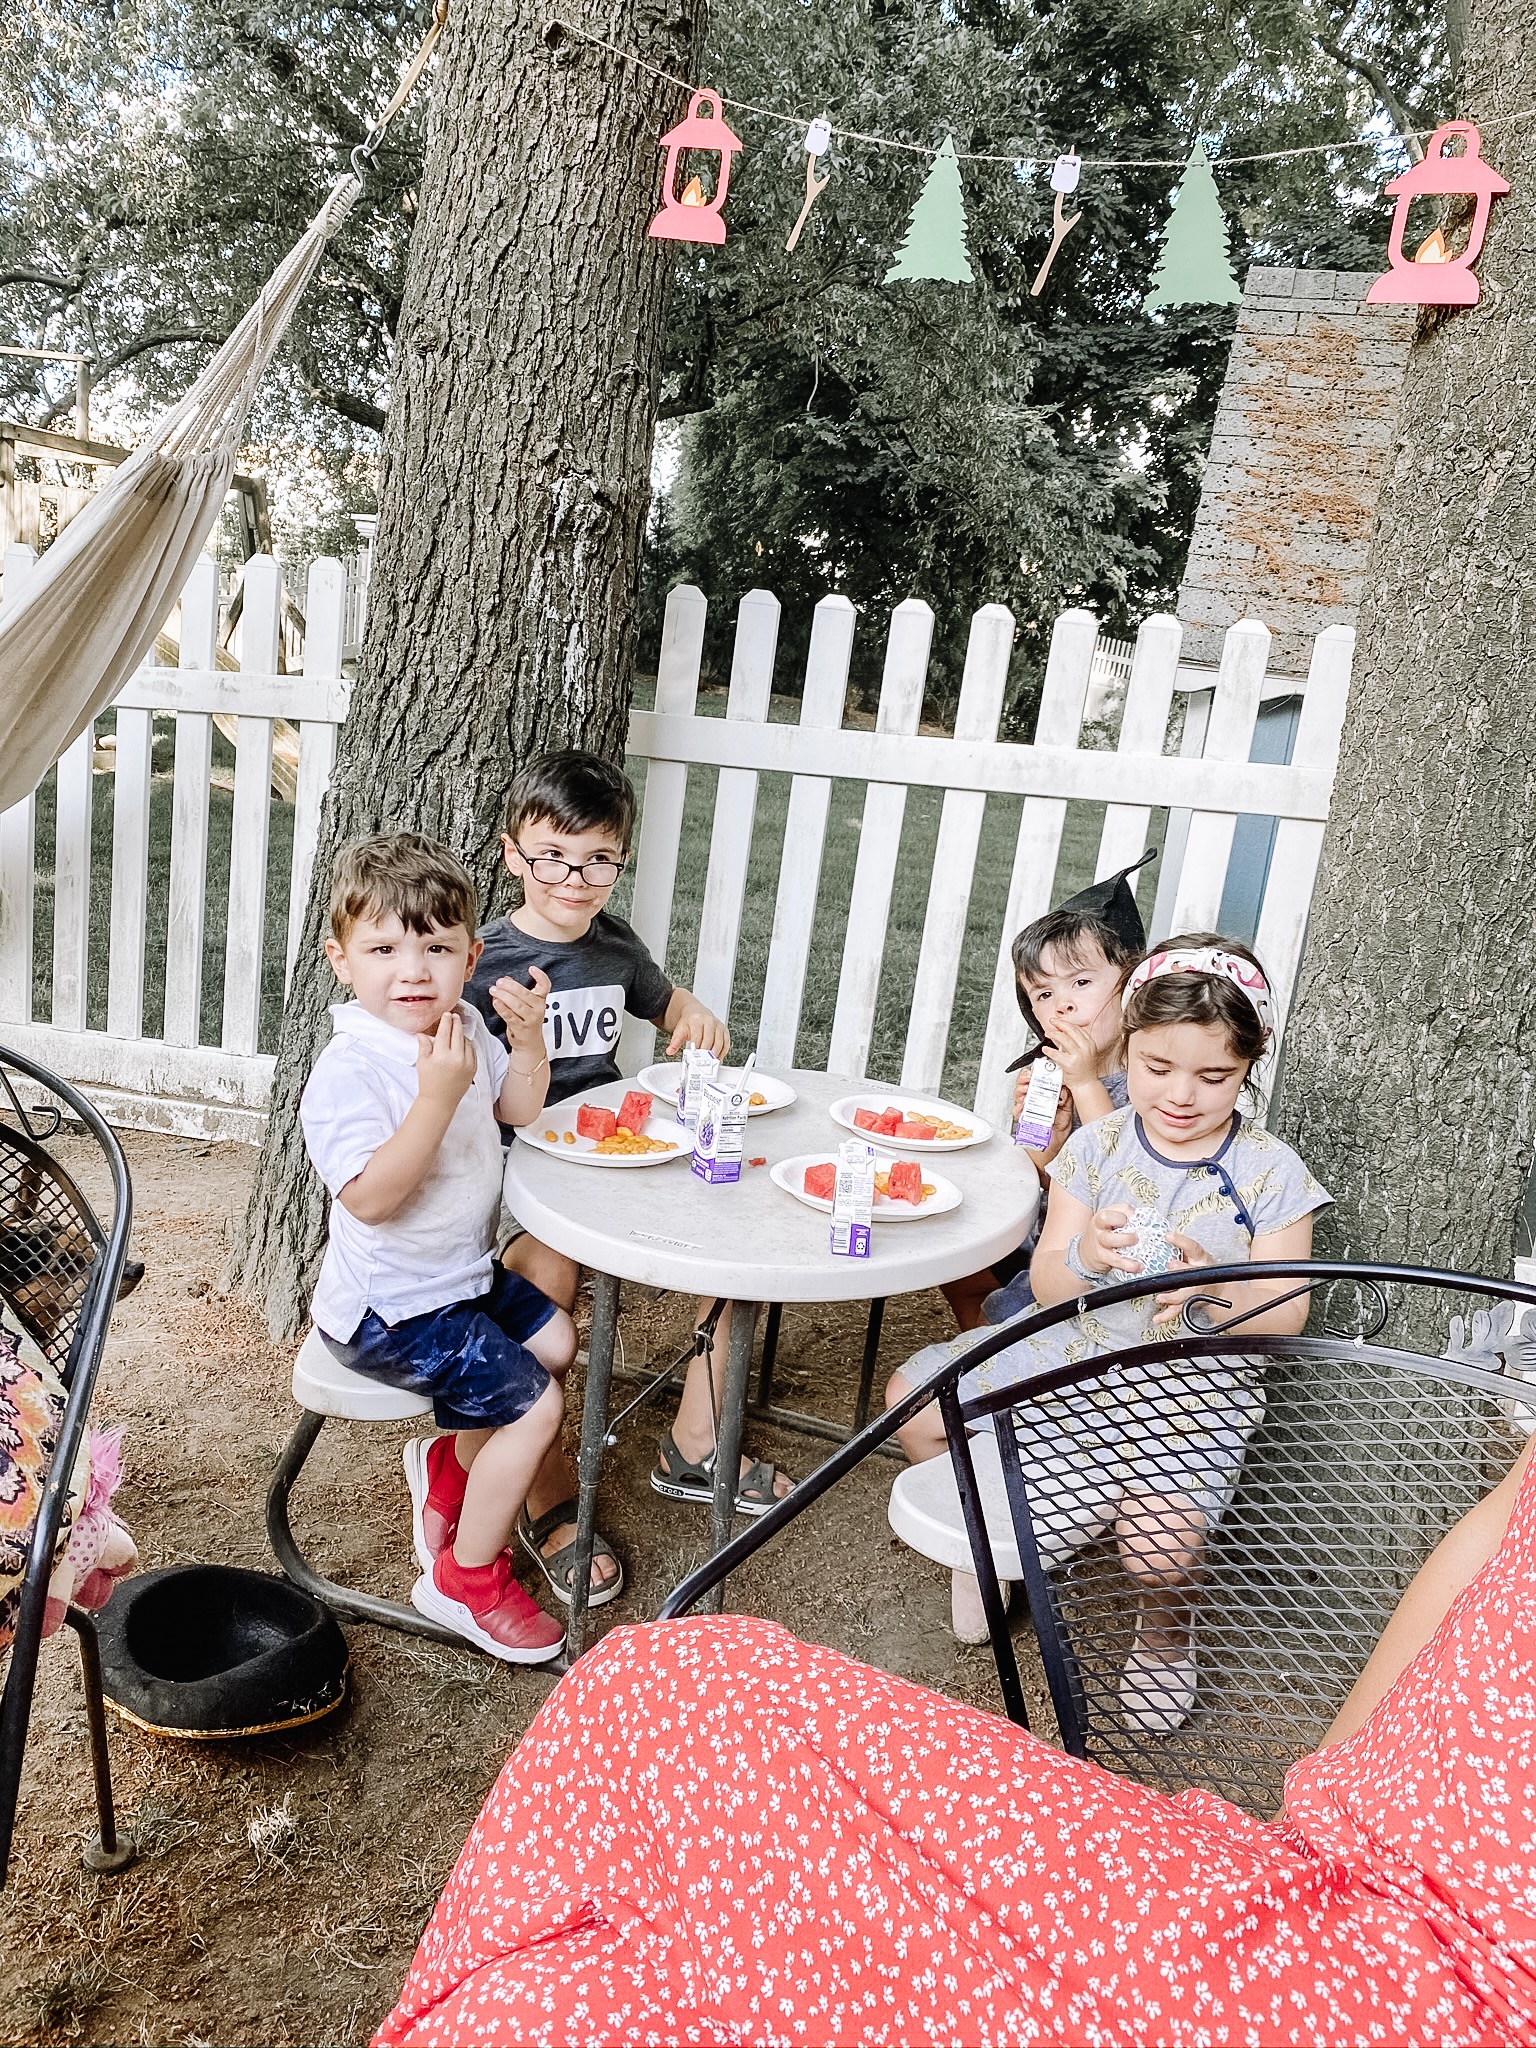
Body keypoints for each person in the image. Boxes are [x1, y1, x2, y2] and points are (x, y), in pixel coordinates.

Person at [374, 1432, 1536, 2046]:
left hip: (1432, 1993)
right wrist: (1315, 1806)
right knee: (662, 1690)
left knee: (554, 1997)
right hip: (1314, 1880)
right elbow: (1499, 1531)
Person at [887, 936, 1328, 1703]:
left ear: (1250, 1061)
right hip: (1072, 1351)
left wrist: (1210, 1294)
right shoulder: (1097, 1146)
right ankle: (983, 1548)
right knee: (915, 1407)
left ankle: (1165, 1634)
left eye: (1213, 1076)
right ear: (1128, 1047)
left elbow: (1287, 1312)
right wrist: (1087, 1254)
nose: (1181, 1095)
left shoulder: (1270, 1172)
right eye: (1157, 1068)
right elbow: (1049, 1284)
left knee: (1160, 1549)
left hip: (1191, 1389)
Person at [466, 749, 792, 1594]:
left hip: (621, 1151)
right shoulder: (482, 960)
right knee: (544, 1284)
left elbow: (667, 1001)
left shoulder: (615, 946)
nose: (574, 880)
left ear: (620, 861)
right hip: (523, 1169)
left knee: (738, 1232)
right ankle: (544, 1492)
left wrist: (695, 1015)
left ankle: (694, 1442)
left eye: (597, 860)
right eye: (552, 857)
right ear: (512, 855)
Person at [300, 833, 575, 1664]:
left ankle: (451, 1473)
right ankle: (465, 1579)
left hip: (459, 1279)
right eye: (384, 949)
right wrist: (435, 1097)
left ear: (471, 957)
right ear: (341, 961)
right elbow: (372, 1200)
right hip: (390, 1310)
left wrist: (527, 1044)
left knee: (557, 1342)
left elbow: (519, 1110)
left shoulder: (462, 1027)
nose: (413, 971)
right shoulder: (350, 1070)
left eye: (437, 948)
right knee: (536, 1408)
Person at [943, 854, 1152, 1331]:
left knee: (1010, 1308)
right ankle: (982, 1332)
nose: (1064, 1005)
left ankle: (999, 1339)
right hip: (1039, 1230)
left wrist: (1086, 1084)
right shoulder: (1048, 1073)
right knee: (955, 1246)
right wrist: (1047, 1145)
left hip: (1093, 1257)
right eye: (1044, 994)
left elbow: (1122, 1177)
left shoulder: (1150, 1078)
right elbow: (1037, 1179)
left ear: (1131, 984)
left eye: (1081, 982)